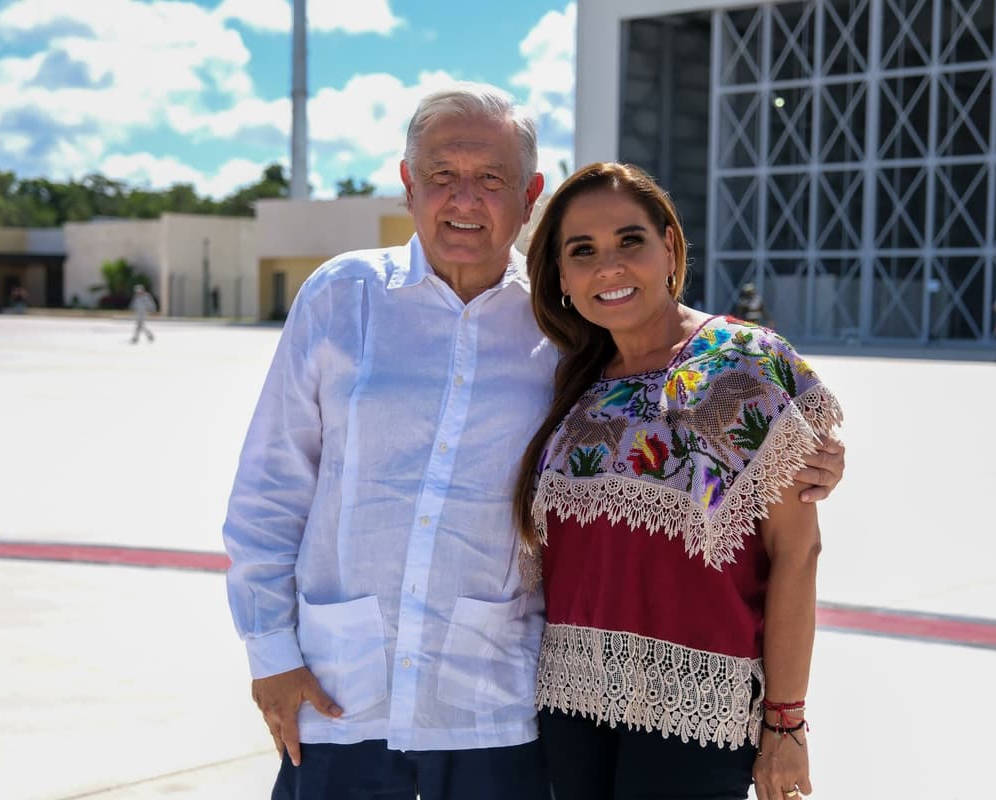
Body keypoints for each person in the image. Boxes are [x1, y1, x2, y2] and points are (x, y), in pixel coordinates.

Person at [222, 85, 846, 800]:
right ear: (406, 183)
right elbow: (270, 487)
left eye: (490, 178)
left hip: (495, 709)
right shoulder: (341, 297)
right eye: (441, 175)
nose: (464, 199)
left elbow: (680, 384)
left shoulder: (564, 325)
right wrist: (269, 652)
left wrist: (806, 449)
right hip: (341, 695)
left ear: (529, 194)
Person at [513, 162, 842, 800]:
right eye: (582, 251)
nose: (608, 266)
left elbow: (797, 553)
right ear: (561, 278)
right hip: (567, 698)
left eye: (628, 240)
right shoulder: (566, 380)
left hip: (699, 708)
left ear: (668, 245)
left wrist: (786, 722)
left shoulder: (744, 362)